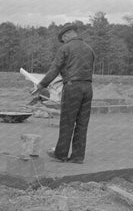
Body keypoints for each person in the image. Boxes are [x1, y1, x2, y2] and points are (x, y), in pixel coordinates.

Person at [32, 23, 95, 164]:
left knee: (67, 122)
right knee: (82, 123)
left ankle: (61, 154)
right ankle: (78, 156)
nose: (64, 40)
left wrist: (41, 85)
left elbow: (54, 69)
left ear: (67, 35)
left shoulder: (65, 48)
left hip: (72, 88)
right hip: (88, 87)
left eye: (64, 38)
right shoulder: (89, 49)